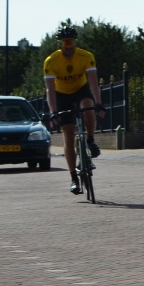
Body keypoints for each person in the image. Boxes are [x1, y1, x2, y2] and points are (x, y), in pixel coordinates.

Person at [43, 25, 105, 195]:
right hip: (61, 93)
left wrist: (98, 102)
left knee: (88, 107)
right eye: (65, 42)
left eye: (71, 42)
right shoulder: (51, 61)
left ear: (75, 43)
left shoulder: (86, 56)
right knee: (68, 136)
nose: (68, 45)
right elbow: (49, 89)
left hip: (80, 89)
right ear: (60, 44)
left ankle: (91, 140)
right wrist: (53, 111)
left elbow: (93, 81)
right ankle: (73, 178)